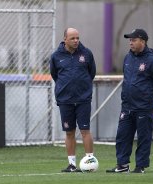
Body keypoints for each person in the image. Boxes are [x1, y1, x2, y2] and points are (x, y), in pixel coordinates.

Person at [106, 29, 153, 174]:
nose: (130, 42)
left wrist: (146, 94)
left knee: (143, 137)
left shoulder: (152, 61)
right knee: (122, 136)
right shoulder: (128, 58)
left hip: (144, 106)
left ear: (143, 41)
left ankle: (140, 166)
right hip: (127, 105)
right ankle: (122, 164)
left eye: (134, 39)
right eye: (130, 40)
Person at [50, 28, 96, 172]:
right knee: (69, 132)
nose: (76, 41)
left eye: (77, 38)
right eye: (72, 38)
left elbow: (91, 73)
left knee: (85, 130)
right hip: (65, 100)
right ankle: (72, 164)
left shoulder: (86, 53)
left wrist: (82, 87)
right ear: (65, 39)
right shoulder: (56, 56)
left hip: (83, 99)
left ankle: (90, 161)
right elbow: (55, 75)